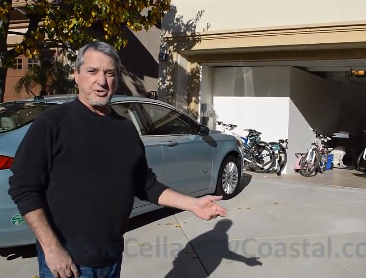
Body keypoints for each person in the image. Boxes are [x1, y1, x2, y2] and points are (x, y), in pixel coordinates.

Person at [7, 41, 228, 278]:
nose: (101, 81)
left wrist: (193, 204)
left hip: (111, 258)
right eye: (92, 71)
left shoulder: (125, 129)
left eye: (109, 73)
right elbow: (24, 188)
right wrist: (52, 249)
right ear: (76, 74)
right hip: (67, 261)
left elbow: (146, 184)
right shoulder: (52, 124)